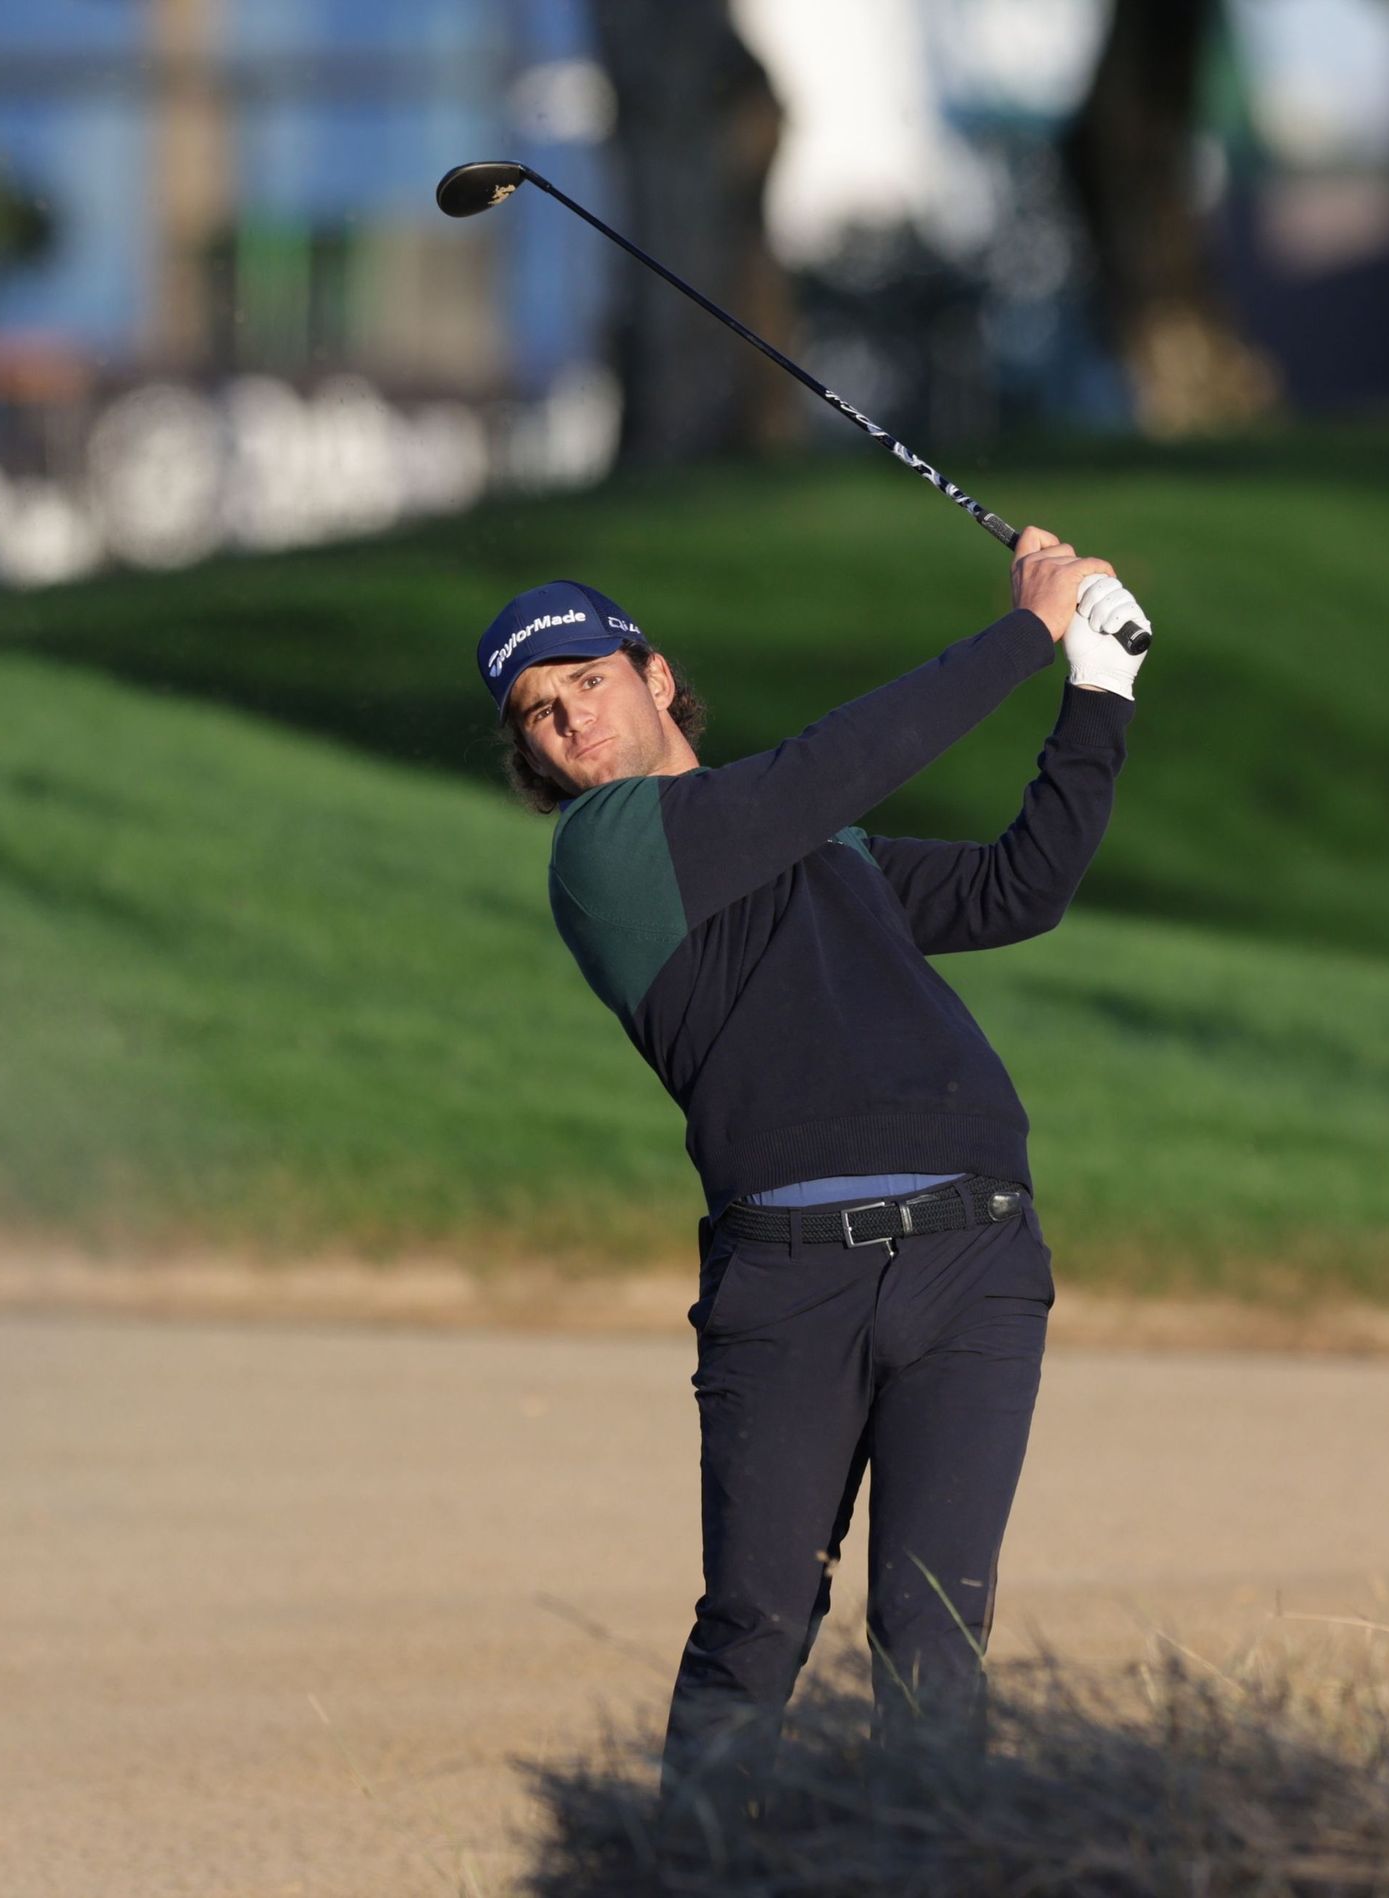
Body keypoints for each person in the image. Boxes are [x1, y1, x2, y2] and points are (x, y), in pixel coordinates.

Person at [477, 527, 1150, 1815]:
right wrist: (1024, 628)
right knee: (757, 1626)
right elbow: (830, 768)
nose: (569, 723)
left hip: (974, 1259)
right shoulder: (610, 854)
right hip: (790, 1286)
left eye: (587, 684)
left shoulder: (816, 851)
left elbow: (1022, 888)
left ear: (655, 677)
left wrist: (1097, 690)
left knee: (932, 1638)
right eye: (539, 715)